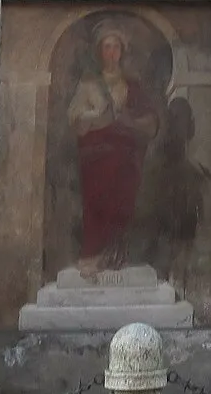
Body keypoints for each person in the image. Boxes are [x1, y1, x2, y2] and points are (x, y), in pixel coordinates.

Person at [67, 27, 162, 274]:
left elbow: (150, 120)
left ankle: (117, 255)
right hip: (96, 157)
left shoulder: (132, 85)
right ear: (100, 51)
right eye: (107, 47)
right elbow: (75, 117)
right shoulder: (89, 84)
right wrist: (97, 115)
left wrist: (130, 121)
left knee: (122, 204)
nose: (112, 52)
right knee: (96, 202)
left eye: (116, 47)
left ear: (122, 52)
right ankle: (94, 255)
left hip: (126, 158)